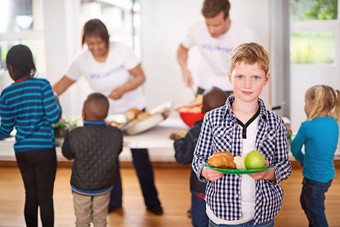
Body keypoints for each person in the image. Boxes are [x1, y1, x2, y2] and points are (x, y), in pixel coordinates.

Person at [52, 18, 163, 215]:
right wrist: (38, 96)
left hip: (134, 110)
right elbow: (59, 87)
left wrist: (122, 89)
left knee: (140, 157)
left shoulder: (121, 50)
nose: (95, 47)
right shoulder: (81, 61)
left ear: (107, 39)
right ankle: (115, 201)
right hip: (107, 116)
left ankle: (152, 201)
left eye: (99, 42)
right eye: (91, 43)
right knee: (110, 158)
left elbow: (140, 76)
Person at [192, 42, 292, 226]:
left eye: (255, 77)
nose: (247, 84)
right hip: (222, 212)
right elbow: (198, 158)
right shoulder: (212, 119)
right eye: (240, 76)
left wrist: (269, 173)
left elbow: (284, 165)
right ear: (230, 77)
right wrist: (205, 171)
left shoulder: (275, 123)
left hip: (262, 213)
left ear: (266, 79)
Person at [0, 44, 62, 227]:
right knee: (45, 197)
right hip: (44, 150)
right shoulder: (43, 85)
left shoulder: (6, 95)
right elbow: (54, 117)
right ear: (31, 65)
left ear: (11, 67)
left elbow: (5, 129)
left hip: (23, 152)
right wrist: (56, 101)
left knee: (31, 194)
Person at [62, 93, 123, 226]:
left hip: (80, 186)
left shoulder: (74, 134)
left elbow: (67, 155)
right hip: (104, 185)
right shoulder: (116, 133)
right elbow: (116, 151)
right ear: (106, 115)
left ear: (83, 115)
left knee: (82, 218)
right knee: (100, 218)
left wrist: (69, 134)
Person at [177, 0, 257, 96]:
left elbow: (253, 67)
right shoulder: (197, 29)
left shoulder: (245, 35)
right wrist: (184, 68)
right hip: (205, 88)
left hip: (233, 89)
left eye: (216, 25)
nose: (211, 30)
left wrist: (241, 90)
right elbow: (182, 49)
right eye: (208, 24)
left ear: (227, 18)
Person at [173, 87, 228, 227]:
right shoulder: (234, 130)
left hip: (200, 190)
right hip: (226, 191)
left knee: (200, 221)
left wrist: (178, 141)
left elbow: (183, 158)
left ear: (202, 108)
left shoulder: (194, 132)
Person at [291, 85, 340, 227]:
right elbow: (321, 147)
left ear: (314, 104)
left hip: (314, 178)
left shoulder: (307, 126)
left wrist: (302, 160)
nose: (304, 106)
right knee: (307, 203)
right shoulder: (333, 123)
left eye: (305, 103)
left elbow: (295, 149)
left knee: (316, 213)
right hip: (326, 176)